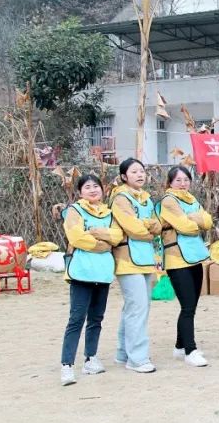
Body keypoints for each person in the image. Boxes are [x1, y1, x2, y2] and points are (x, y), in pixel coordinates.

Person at [59, 174, 122, 386]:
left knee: (96, 318)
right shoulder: (75, 211)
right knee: (76, 319)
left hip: (103, 273)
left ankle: (90, 358)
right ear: (80, 192)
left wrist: (96, 233)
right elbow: (76, 237)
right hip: (82, 272)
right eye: (87, 187)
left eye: (96, 186)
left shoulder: (108, 213)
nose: (93, 190)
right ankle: (67, 365)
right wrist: (102, 244)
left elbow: (117, 236)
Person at [110, 158, 161, 373]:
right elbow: (133, 228)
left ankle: (123, 353)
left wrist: (149, 228)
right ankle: (137, 359)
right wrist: (148, 229)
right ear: (124, 176)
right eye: (134, 172)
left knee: (136, 307)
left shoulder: (146, 199)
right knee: (137, 308)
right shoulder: (120, 198)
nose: (140, 175)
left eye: (142, 171)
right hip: (127, 259)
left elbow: (158, 226)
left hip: (145, 258)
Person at [160, 166, 214, 368]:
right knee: (188, 306)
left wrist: (193, 219)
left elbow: (208, 222)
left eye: (186, 180)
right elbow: (187, 227)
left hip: (195, 257)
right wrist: (194, 220)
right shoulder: (168, 201)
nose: (183, 184)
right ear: (170, 183)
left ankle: (180, 346)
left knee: (191, 305)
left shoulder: (191, 200)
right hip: (177, 258)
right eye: (178, 180)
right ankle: (190, 350)